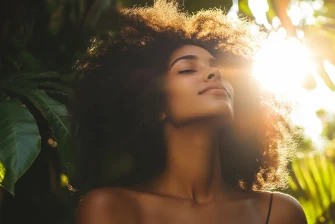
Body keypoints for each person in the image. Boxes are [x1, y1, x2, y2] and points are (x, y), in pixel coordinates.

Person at [70, 1, 307, 223]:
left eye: (216, 67)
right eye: (186, 70)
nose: (215, 74)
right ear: (154, 103)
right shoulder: (111, 208)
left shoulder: (279, 213)